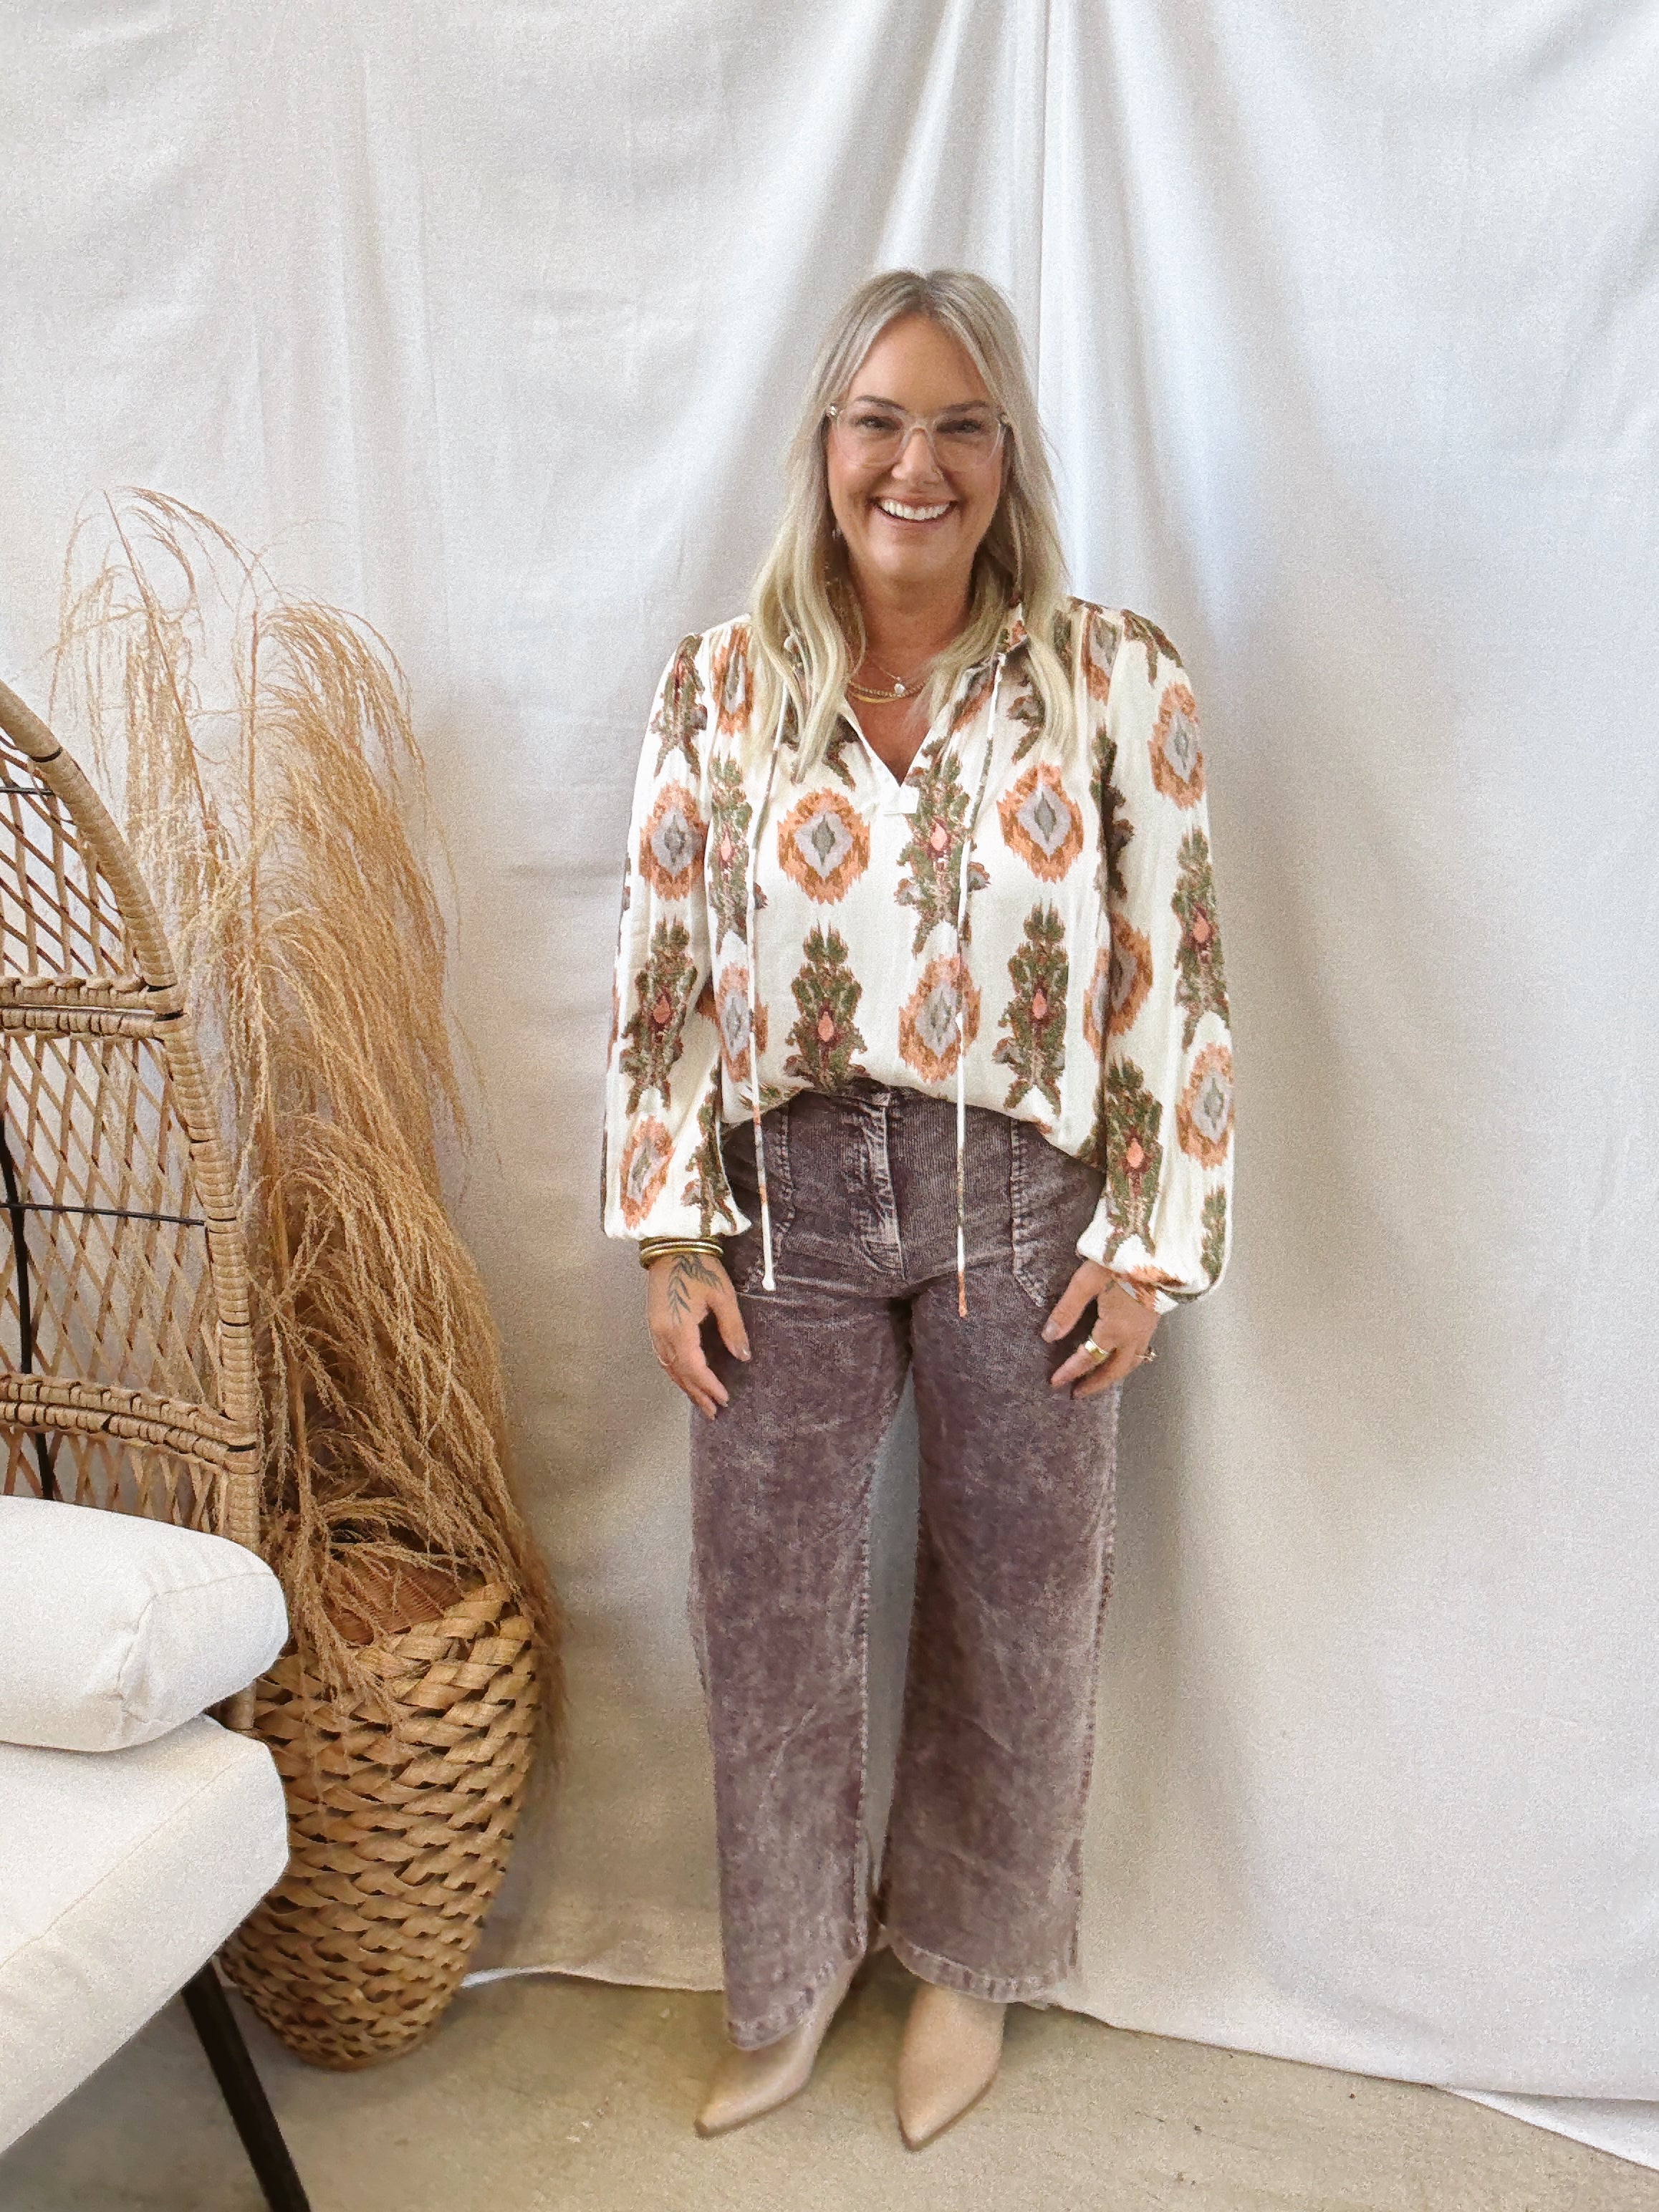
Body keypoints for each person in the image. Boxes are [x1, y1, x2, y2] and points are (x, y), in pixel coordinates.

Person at [601, 267, 1234, 2149]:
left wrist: (1150, 1241)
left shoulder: (1112, 678)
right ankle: (791, 1970)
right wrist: (670, 1232)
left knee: (1022, 1594)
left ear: (1005, 453)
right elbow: (659, 968)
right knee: (764, 1601)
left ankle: (967, 1961)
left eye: (960, 425)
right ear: (825, 442)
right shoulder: (722, 686)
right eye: (880, 420)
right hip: (782, 1199)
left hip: (1021, 1198)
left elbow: (1175, 967)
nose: (916, 464)